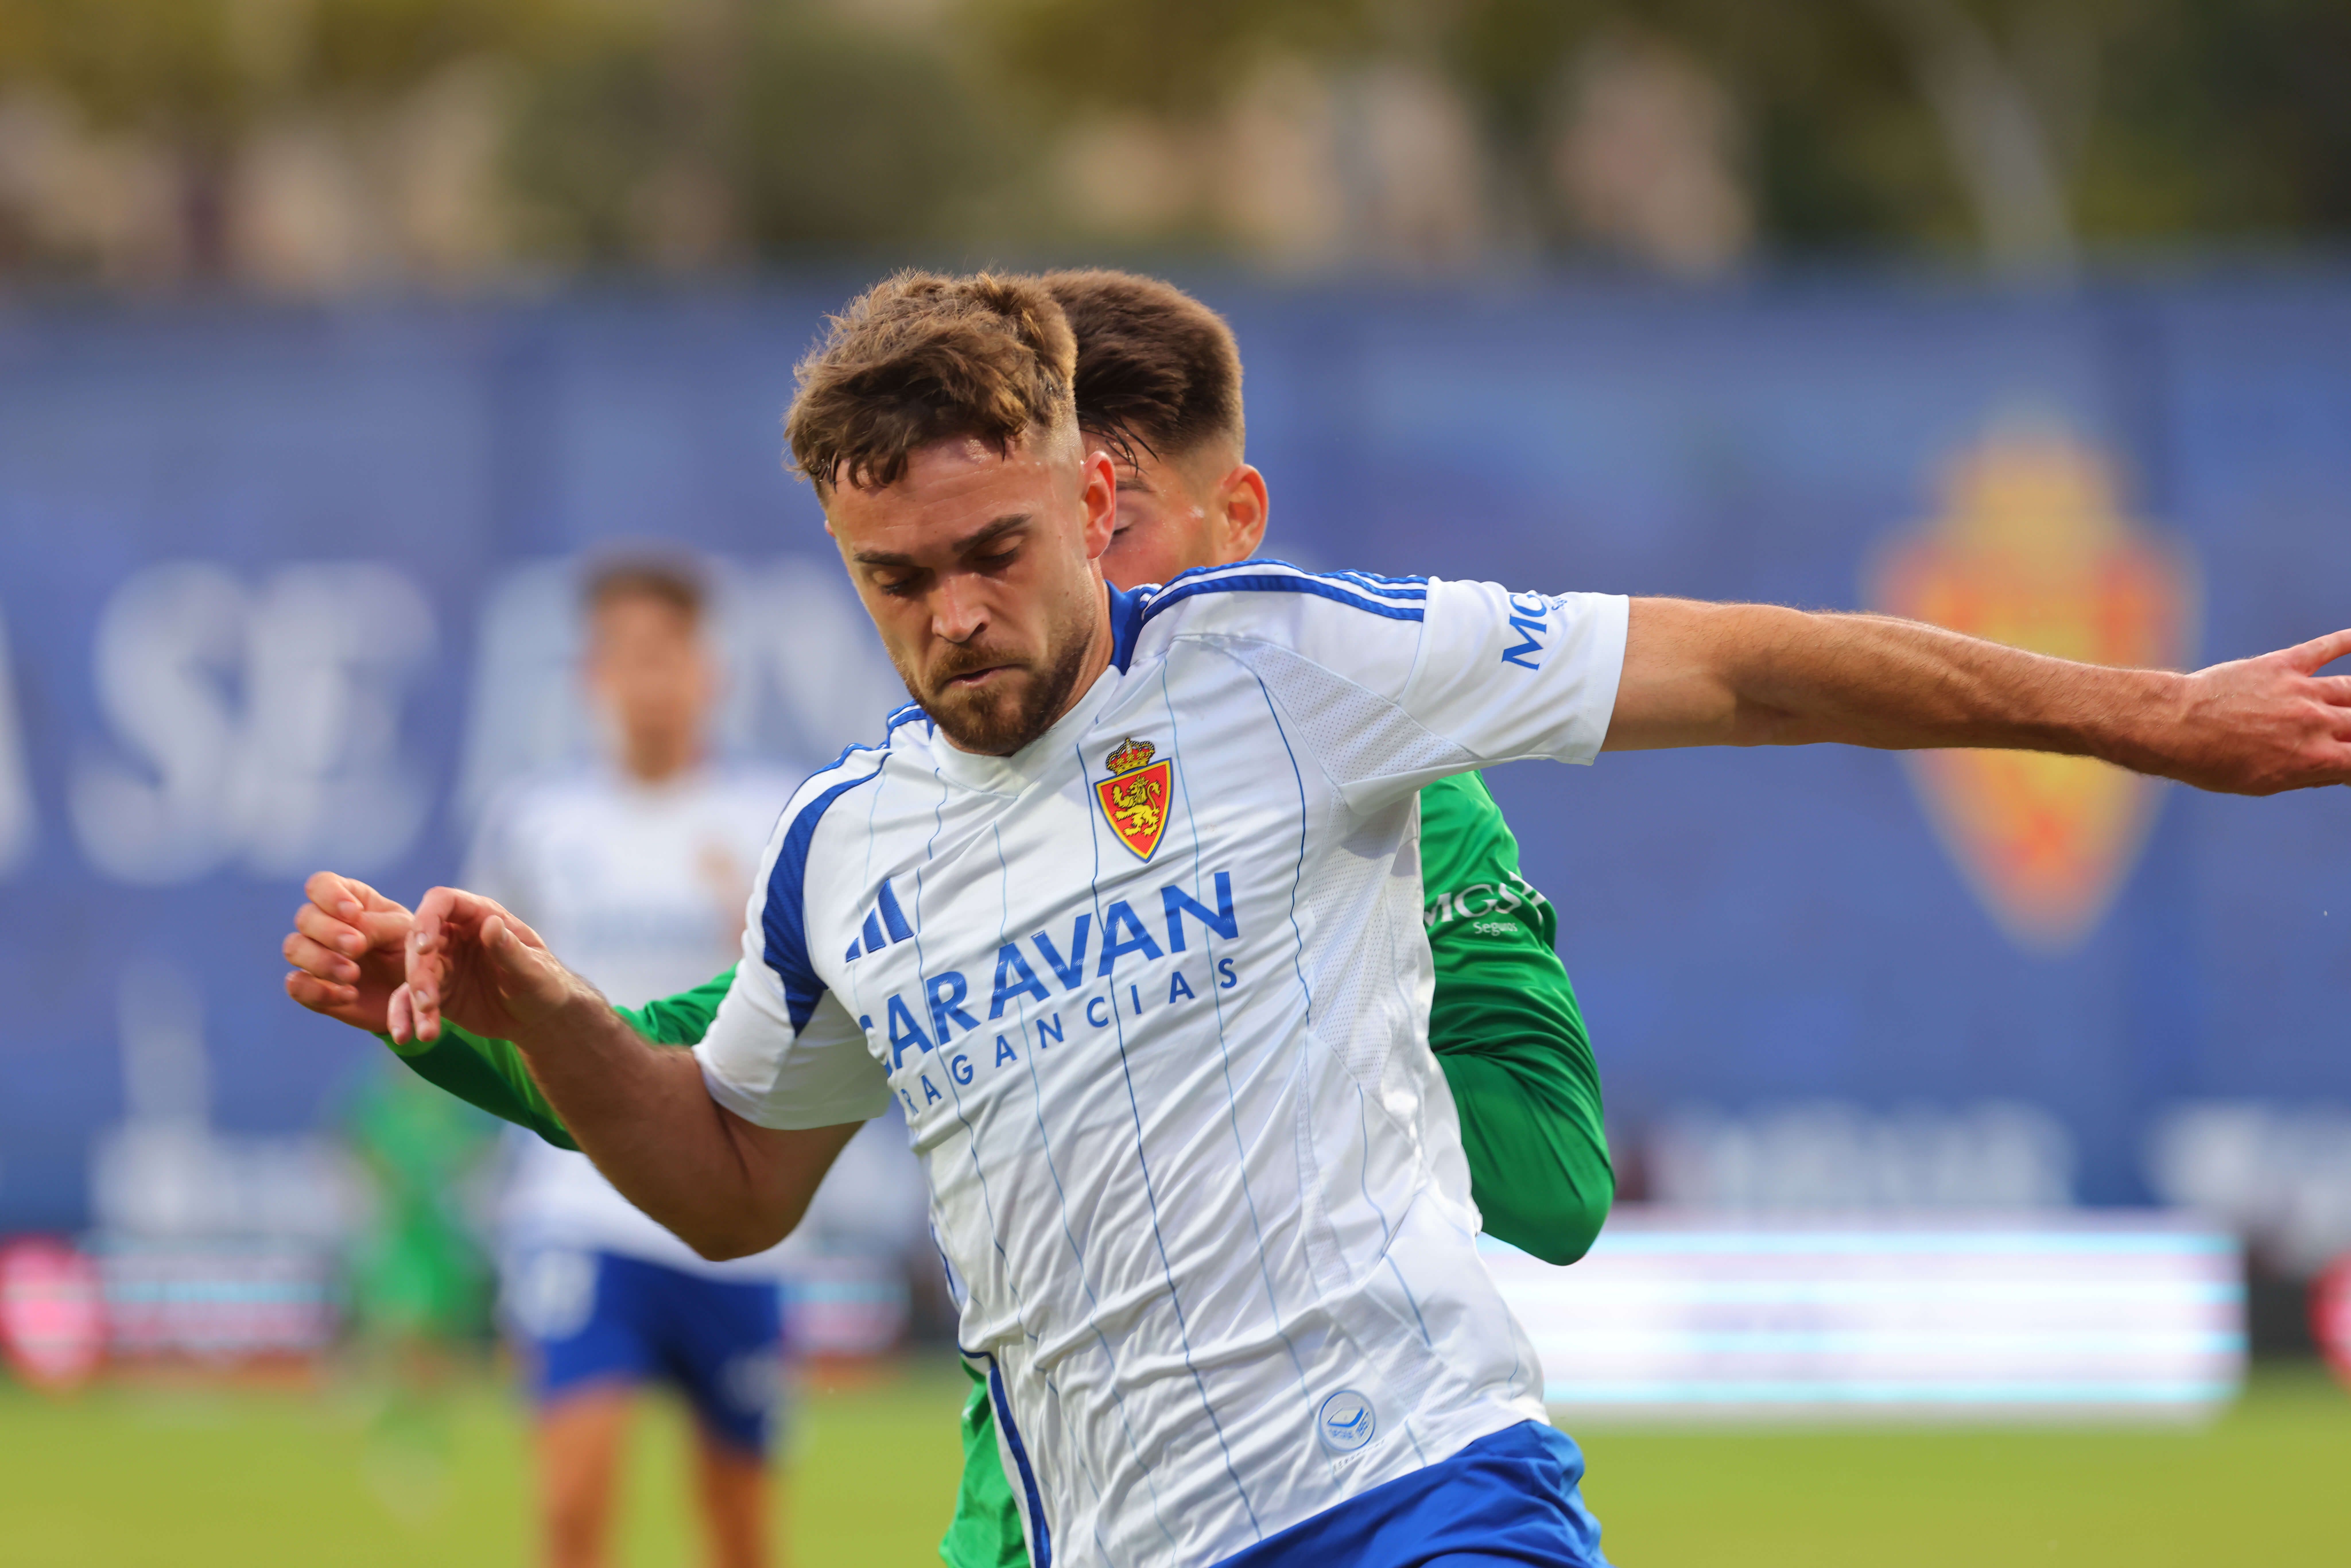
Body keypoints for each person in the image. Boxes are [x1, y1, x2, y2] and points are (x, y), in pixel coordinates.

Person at [292, 271, 2349, 1567]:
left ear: (1092, 500)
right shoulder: (844, 850)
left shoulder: (1300, 665)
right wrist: (531, 1007)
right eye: (895, 581)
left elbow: (1752, 669)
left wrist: (2152, 716)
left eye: (992, 551)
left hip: (1422, 1488)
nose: (953, 614)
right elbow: (734, 1177)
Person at [283, 271, 1612, 1568]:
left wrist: (1255, 1030)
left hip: (1365, 1471)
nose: (1078, 574)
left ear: (1234, 523)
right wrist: (465, 1014)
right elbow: (696, 1091)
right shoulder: (906, 835)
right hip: (1034, 1505)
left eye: (1117, 522)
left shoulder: (1388, 787)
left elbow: (1556, 1181)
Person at [472, 558, 797, 1568]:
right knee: (573, 1507)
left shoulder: (775, 820)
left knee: (741, 1533)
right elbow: (487, 1001)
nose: (649, 681)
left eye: (670, 656)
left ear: (710, 673)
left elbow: (810, 1004)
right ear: (592, 677)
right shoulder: (537, 827)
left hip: (731, 1211)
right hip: (581, 1201)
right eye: (627, 658)